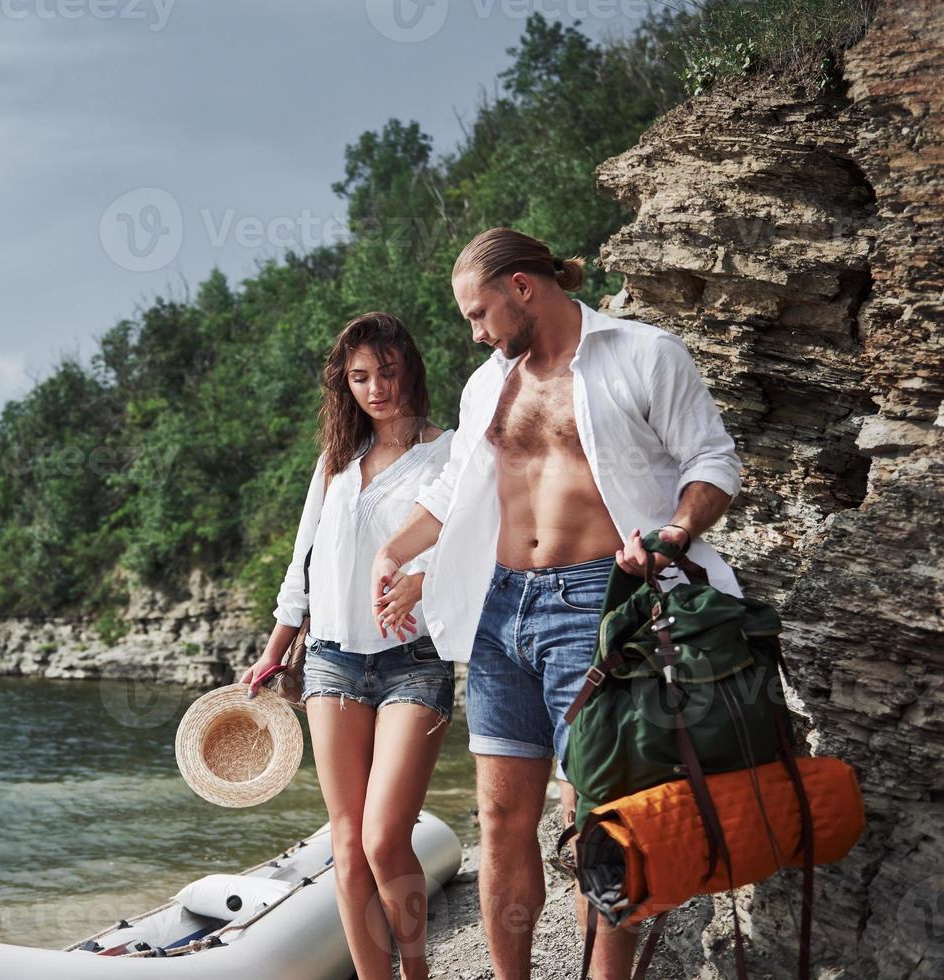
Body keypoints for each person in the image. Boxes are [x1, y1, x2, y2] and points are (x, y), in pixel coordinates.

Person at [371, 228, 744, 980]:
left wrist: (673, 533)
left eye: (479, 315)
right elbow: (454, 492)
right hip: (498, 609)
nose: (474, 333)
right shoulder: (488, 384)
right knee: (503, 821)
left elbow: (712, 459)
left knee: (600, 822)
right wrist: (395, 550)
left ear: (521, 288)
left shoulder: (643, 355)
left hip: (598, 605)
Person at [239, 311, 455, 980]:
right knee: (346, 841)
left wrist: (420, 582)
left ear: (408, 369)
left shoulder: (447, 451)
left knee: (386, 836)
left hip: (413, 663)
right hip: (330, 660)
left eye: (386, 372)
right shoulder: (336, 461)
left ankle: (415, 974)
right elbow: (301, 565)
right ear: (345, 385)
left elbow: (474, 550)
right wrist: (276, 648)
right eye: (360, 377)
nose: (375, 387)